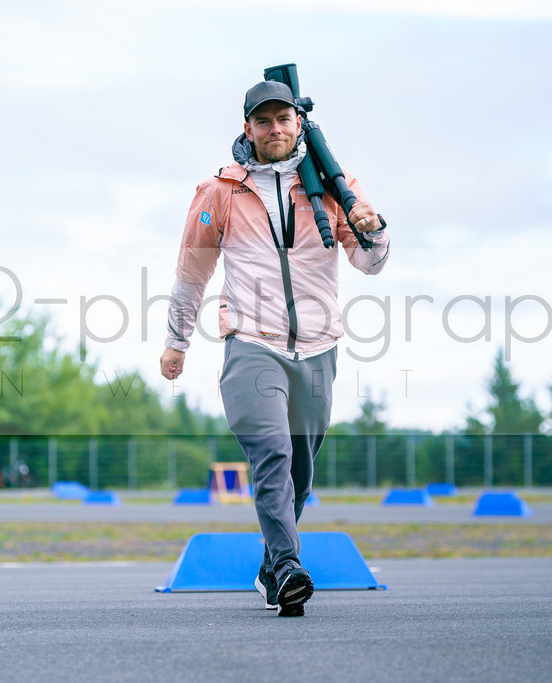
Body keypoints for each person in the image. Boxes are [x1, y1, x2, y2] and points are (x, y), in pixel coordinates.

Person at [159, 79, 390, 616]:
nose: (275, 129)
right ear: (248, 129)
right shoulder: (220, 192)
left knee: (300, 475)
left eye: (283, 118)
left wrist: (373, 230)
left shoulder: (333, 186)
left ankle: (270, 567)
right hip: (250, 342)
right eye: (263, 121)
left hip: (318, 346)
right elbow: (190, 276)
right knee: (272, 455)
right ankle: (288, 567)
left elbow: (370, 264)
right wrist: (177, 341)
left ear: (298, 123)